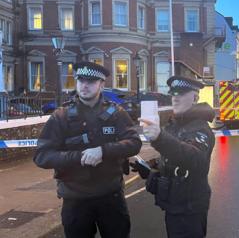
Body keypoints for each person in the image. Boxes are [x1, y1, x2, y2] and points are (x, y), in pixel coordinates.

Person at [33, 61, 142, 238]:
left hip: (110, 196)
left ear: (101, 84)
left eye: (90, 81)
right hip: (75, 199)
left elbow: (134, 143)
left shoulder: (116, 113)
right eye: (80, 80)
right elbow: (42, 156)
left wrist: (103, 151)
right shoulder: (61, 116)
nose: (84, 85)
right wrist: (79, 157)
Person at [137, 76, 215, 238]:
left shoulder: (200, 128)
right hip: (175, 205)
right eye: (173, 94)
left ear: (195, 97)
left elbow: (194, 158)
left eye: (181, 93)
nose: (175, 98)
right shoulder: (176, 125)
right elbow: (172, 158)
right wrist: (151, 167)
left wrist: (159, 138)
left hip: (189, 208)